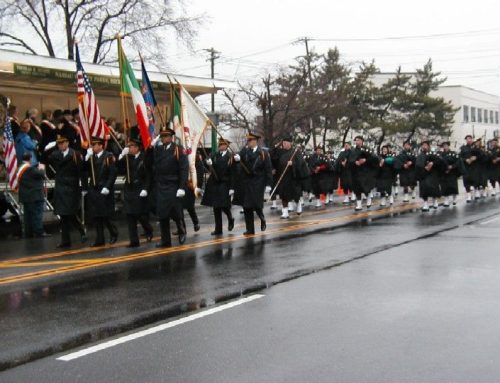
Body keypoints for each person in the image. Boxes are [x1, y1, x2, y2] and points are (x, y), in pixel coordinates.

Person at [148, 127, 188, 248]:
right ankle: (166, 240)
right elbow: (149, 163)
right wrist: (150, 149)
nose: (164, 138)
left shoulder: (178, 150)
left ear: (171, 137)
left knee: (174, 211)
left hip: (173, 185)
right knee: (162, 214)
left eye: (166, 136)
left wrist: (181, 187)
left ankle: (182, 230)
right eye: (162, 137)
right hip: (161, 185)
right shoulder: (158, 149)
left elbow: (183, 169)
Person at [45, 135, 87, 248]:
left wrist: (83, 187)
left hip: (71, 186)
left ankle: (81, 231)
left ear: (67, 143)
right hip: (60, 186)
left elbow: (81, 171)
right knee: (63, 215)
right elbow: (44, 158)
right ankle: (65, 241)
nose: (61, 145)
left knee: (71, 213)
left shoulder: (75, 154)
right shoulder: (55, 154)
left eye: (63, 143)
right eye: (59, 144)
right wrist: (49, 147)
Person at [233, 132, 273, 235]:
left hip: (258, 182)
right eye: (248, 140)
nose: (249, 142)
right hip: (247, 182)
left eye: (250, 140)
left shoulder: (263, 153)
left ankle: (262, 218)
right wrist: (236, 159)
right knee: (246, 206)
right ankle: (250, 229)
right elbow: (237, 160)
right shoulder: (244, 151)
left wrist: (268, 184)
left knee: (256, 204)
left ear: (255, 141)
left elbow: (268, 169)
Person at [118, 138, 153, 248]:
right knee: (130, 215)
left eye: (131, 146)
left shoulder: (144, 158)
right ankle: (134, 241)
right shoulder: (128, 158)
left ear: (137, 148)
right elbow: (118, 168)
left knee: (139, 214)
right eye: (128, 147)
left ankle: (148, 229)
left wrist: (146, 189)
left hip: (139, 189)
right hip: (129, 188)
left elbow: (149, 175)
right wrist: (121, 156)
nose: (129, 148)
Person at [85, 136, 118, 246]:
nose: (93, 147)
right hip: (94, 189)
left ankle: (113, 232)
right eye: (92, 145)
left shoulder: (108, 156)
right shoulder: (91, 157)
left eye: (95, 145)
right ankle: (100, 239)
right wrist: (86, 158)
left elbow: (112, 173)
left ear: (101, 145)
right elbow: (84, 170)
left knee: (105, 215)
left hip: (104, 189)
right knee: (96, 216)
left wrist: (107, 187)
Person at [201, 138, 236, 235]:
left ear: (227, 146)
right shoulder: (214, 155)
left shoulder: (230, 157)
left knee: (224, 205)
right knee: (216, 207)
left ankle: (230, 218)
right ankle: (218, 229)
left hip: (225, 183)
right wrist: (208, 163)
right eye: (220, 145)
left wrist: (232, 187)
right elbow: (205, 161)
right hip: (215, 183)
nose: (221, 147)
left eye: (223, 145)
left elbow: (233, 173)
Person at [17, 153, 50, 238]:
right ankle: (39, 232)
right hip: (34, 196)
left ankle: (29, 233)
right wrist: (42, 168)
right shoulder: (29, 169)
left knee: (27, 216)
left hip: (26, 196)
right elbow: (41, 174)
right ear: (30, 158)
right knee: (37, 215)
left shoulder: (21, 168)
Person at [274, 136, 306, 219]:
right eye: (283, 143)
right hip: (283, 177)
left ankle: (298, 204)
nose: (284, 144)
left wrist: (293, 164)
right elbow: (274, 159)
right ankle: (285, 212)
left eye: (286, 143)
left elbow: (301, 164)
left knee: (295, 195)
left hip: (293, 177)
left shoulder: (296, 152)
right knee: (283, 195)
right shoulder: (280, 152)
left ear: (290, 143)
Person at [348, 136, 378, 211]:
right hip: (357, 172)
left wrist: (365, 160)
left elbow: (374, 158)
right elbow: (350, 160)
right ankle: (359, 205)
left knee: (366, 187)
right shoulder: (353, 151)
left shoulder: (367, 149)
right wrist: (355, 162)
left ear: (362, 141)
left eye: (358, 140)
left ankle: (368, 199)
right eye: (356, 140)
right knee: (357, 188)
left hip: (366, 172)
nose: (357, 142)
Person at [416, 140, 444, 211]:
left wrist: (433, 163)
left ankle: (435, 201)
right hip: (424, 174)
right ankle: (425, 204)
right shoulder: (420, 155)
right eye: (423, 145)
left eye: (425, 145)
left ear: (428, 146)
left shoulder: (434, 153)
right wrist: (424, 168)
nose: (424, 146)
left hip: (433, 174)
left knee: (433, 188)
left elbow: (440, 161)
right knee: (424, 189)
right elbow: (418, 165)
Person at [460, 135, 485, 202]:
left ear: (472, 139)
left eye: (470, 139)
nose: (468, 140)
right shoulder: (463, 148)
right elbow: (460, 157)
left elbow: (482, 154)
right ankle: (468, 195)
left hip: (475, 166)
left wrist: (476, 157)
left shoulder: (476, 147)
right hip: (466, 167)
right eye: (467, 139)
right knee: (466, 181)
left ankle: (476, 190)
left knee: (475, 179)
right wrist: (465, 160)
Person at [438, 141, 462, 207]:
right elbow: (439, 164)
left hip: (452, 172)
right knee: (445, 186)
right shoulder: (441, 155)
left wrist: (452, 166)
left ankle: (454, 198)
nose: (445, 147)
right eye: (444, 146)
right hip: (444, 173)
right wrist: (444, 169)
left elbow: (458, 162)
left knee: (453, 186)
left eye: (446, 145)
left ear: (448, 146)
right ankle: (446, 200)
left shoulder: (453, 153)